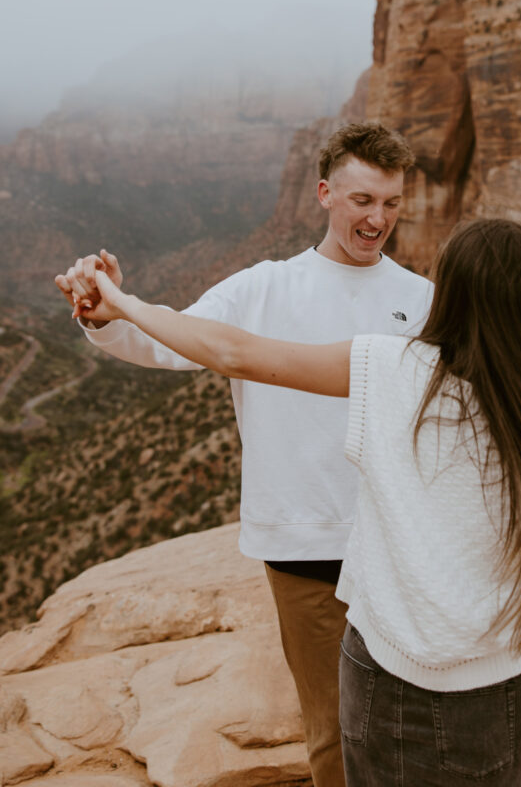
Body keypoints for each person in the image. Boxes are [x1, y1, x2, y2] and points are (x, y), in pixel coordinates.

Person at [74, 217, 521, 786]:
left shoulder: (397, 370)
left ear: (454, 295)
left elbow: (233, 352)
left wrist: (121, 303)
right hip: (505, 687)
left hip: (386, 679)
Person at [55, 121, 433, 787]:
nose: (377, 218)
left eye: (391, 203)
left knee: (413, 719)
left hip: (399, 540)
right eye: (362, 201)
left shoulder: (420, 297)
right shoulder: (263, 286)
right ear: (323, 193)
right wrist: (107, 314)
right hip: (302, 544)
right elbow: (172, 344)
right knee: (336, 730)